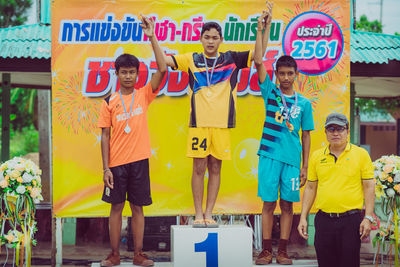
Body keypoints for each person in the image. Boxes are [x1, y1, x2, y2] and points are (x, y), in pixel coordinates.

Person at [163, 3, 272, 227]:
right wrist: (152, 36)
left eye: (214, 37)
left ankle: (209, 213)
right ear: (201, 39)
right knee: (198, 168)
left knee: (215, 168)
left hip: (222, 125)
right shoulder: (191, 59)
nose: (210, 41)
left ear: (220, 39)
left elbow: (259, 58)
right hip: (198, 124)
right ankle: (198, 213)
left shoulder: (231, 58)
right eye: (206, 37)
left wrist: (263, 29)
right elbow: (163, 61)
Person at [98, 15, 166, 267]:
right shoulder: (108, 101)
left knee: (138, 208)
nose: (128, 76)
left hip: (139, 161)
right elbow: (104, 136)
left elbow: (162, 69)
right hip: (115, 164)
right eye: (123, 72)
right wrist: (105, 168)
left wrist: (151, 37)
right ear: (116, 74)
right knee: (115, 209)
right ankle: (114, 254)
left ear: (138, 74)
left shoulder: (144, 95)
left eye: (132, 72)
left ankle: (138, 254)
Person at [253, 4, 314, 265]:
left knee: (288, 206)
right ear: (276, 75)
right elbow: (257, 60)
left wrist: (304, 166)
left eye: (290, 73)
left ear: (296, 74)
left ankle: (283, 251)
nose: (286, 77)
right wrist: (261, 29)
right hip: (268, 156)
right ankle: (266, 250)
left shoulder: (305, 103)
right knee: (268, 204)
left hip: (292, 161)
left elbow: (307, 136)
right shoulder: (271, 92)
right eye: (282, 73)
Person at [297, 113, 375, 267]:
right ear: (325, 132)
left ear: (347, 131)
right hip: (323, 220)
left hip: (351, 221)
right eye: (331, 129)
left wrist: (368, 217)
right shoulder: (317, 156)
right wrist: (303, 217)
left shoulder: (361, 155)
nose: (335, 133)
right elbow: (311, 187)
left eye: (340, 129)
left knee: (349, 263)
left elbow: (369, 186)